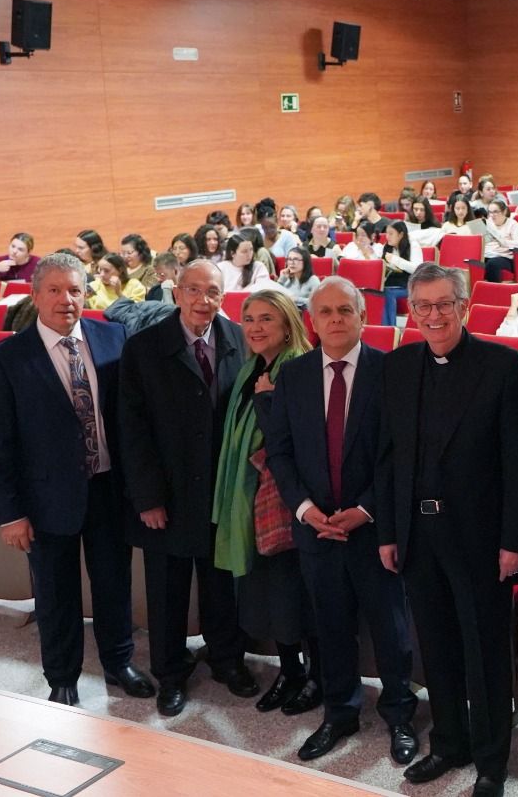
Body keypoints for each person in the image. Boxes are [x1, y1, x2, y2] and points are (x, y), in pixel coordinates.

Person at [374, 263, 518, 797]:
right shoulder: (396, 367)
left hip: (481, 537)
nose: (434, 315)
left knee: (485, 650)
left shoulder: (502, 366)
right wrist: (388, 532)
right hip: (416, 533)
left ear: (464, 307)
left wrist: (515, 541)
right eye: (423, 306)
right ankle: (448, 743)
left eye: (445, 304)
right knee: (436, 645)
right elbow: (388, 458)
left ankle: (491, 760)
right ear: (411, 312)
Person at [0, 253, 154, 707]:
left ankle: (119, 664)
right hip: (45, 498)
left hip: (108, 488)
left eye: (75, 290)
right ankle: (62, 676)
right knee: (56, 592)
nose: (66, 300)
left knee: (114, 584)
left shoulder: (113, 337)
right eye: (54, 290)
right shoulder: (5, 359)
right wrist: (10, 513)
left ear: (86, 294)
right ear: (35, 295)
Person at [262, 278, 420, 763]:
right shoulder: (294, 376)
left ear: (362, 315)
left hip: (374, 528)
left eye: (344, 311)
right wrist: (308, 511)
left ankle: (399, 715)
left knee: (390, 628)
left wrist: (366, 509)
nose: (334, 320)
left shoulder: (389, 371)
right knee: (329, 628)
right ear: (311, 320)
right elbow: (281, 453)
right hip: (316, 528)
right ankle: (340, 713)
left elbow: (398, 455)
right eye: (325, 311)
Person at [118, 260, 256, 716]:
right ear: (176, 293)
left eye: (212, 291)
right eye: (193, 290)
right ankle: (171, 675)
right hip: (169, 495)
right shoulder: (143, 348)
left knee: (222, 585)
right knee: (167, 590)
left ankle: (226, 660)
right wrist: (148, 498)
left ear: (224, 296)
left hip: (222, 492)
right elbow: (131, 431)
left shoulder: (238, 338)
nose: (203, 301)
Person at [210, 291, 323, 722]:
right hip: (254, 498)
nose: (255, 328)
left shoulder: (298, 368)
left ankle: (313, 675)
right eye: (249, 319)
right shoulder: (252, 368)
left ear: (288, 323)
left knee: (298, 596)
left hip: (289, 503)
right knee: (275, 595)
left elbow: (295, 441)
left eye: (267, 319)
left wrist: (269, 399)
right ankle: (290, 669)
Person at [378, 220, 421, 326]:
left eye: (391, 234)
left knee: (388, 293)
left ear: (401, 234)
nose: (387, 237)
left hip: (409, 286)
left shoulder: (413, 246)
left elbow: (417, 269)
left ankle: (390, 331)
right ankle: (380, 330)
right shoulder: (387, 247)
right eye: (387, 233)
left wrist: (395, 260)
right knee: (377, 292)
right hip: (390, 284)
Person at [481, 200, 518, 284]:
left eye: (495, 212)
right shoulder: (488, 223)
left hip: (505, 257)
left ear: (504, 211)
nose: (492, 215)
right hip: (487, 254)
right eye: (490, 212)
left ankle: (494, 292)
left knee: (492, 264)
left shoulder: (513, 224)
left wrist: (505, 242)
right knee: (475, 262)